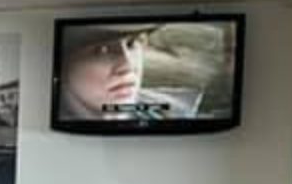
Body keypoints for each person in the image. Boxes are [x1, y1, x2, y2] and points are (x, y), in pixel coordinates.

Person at [57, 23, 204, 121]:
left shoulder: (177, 110)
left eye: (131, 44)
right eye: (101, 50)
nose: (128, 66)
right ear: (64, 61)